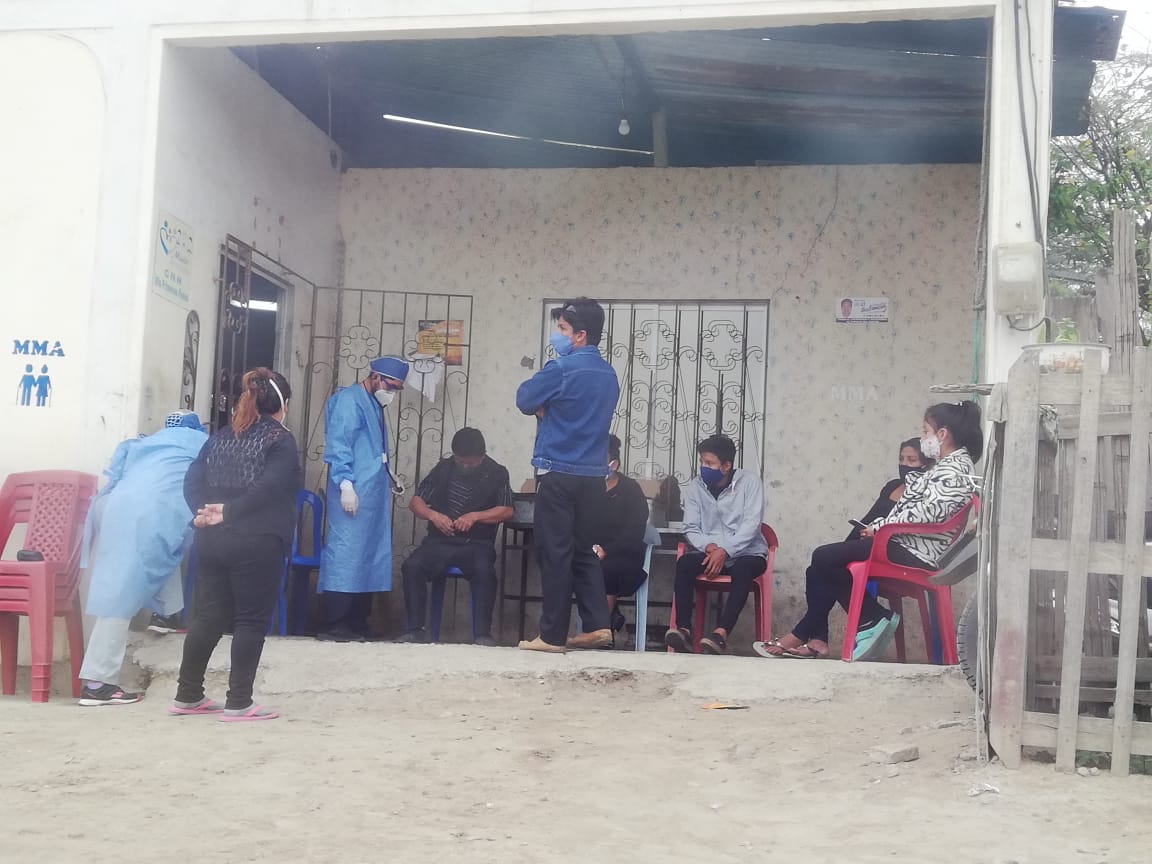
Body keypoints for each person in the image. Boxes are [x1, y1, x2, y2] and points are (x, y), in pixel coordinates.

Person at [759, 401, 983, 661]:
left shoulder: (955, 469)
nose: (923, 439)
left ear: (942, 434)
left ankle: (869, 619)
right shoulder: (945, 466)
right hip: (907, 542)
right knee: (823, 565)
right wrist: (878, 527)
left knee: (823, 557)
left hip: (917, 551)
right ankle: (859, 622)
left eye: (925, 432)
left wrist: (879, 528)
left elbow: (931, 513)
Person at [170, 368, 301, 721]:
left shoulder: (221, 436)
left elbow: (192, 479)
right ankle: (239, 702)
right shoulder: (280, 440)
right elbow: (269, 488)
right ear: (283, 404)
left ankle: (187, 695)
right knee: (250, 621)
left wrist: (203, 512)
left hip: (211, 540)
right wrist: (229, 512)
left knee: (207, 617)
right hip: (257, 541)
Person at [76, 410, 208, 706]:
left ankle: (167, 614)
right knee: (120, 596)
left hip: (113, 506)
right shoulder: (200, 442)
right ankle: (97, 684)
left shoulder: (147, 443)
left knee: (160, 553)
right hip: (149, 513)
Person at [515, 297, 620, 652]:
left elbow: (524, 399)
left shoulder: (560, 368)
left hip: (558, 470)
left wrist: (546, 408)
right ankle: (598, 624)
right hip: (593, 475)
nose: (557, 334)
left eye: (562, 328)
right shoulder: (608, 374)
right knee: (584, 550)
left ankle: (552, 635)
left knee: (555, 552)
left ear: (580, 335)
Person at [317, 355, 410, 642]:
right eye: (390, 386)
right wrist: (345, 484)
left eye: (397, 389)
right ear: (375, 377)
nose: (392, 393)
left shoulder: (373, 403)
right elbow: (339, 445)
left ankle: (358, 621)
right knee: (346, 555)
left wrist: (389, 474)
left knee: (368, 555)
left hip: (371, 495)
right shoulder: (349, 401)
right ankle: (336, 623)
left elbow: (372, 450)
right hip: (352, 492)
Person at [398, 427, 514, 646]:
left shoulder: (497, 472)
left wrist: (475, 516)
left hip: (476, 544)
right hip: (439, 542)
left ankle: (482, 634)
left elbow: (507, 510)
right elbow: (416, 502)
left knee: (484, 572)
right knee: (412, 566)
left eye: (472, 463)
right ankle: (415, 630)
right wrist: (433, 516)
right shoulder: (443, 468)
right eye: (461, 462)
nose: (466, 467)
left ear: (483, 455)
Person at [665, 435, 769, 655]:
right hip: (710, 553)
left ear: (726, 465)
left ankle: (720, 634)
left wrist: (726, 550)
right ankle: (683, 629)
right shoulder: (696, 486)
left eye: (710, 463)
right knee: (685, 564)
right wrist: (708, 546)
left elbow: (751, 525)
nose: (704, 467)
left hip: (748, 553)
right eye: (702, 462)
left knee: (743, 569)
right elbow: (691, 527)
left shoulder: (750, 483)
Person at [592, 435, 650, 644]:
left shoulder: (630, 490)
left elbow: (635, 531)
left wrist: (606, 550)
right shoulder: (587, 489)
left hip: (625, 554)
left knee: (607, 568)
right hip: (592, 551)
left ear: (613, 464)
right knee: (574, 564)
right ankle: (609, 618)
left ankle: (601, 628)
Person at [844, 438, 933, 542]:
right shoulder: (893, 485)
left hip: (890, 544)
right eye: (901, 459)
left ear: (926, 465)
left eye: (911, 460)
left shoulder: (926, 494)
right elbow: (870, 517)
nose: (904, 464)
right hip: (866, 538)